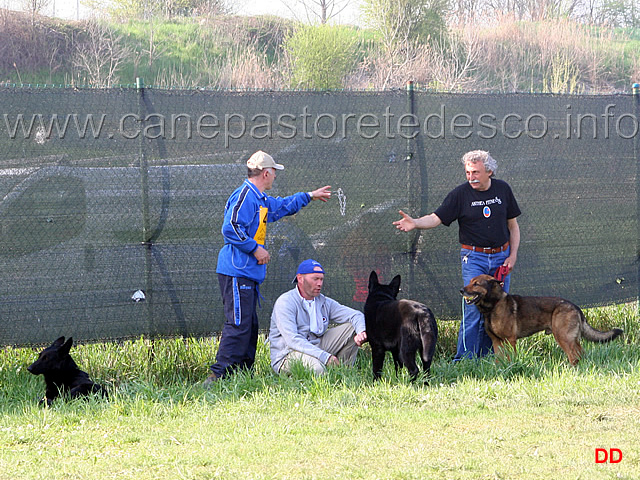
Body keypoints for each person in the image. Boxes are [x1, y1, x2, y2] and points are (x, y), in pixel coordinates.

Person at [204, 151, 332, 385]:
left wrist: (309, 196)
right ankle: (218, 376)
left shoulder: (260, 198)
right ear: (266, 173)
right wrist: (255, 249)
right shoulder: (245, 196)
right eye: (274, 172)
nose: (275, 176)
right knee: (238, 323)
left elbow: (282, 206)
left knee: (249, 325)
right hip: (235, 271)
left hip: (248, 274)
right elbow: (230, 227)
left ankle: (242, 376)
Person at [393, 150, 521, 360]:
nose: (471, 177)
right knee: (472, 310)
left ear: (489, 171)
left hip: (501, 257)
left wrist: (512, 255)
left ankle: (491, 359)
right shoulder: (460, 194)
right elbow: (435, 218)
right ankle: (464, 360)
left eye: (476, 172)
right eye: (468, 172)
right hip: (474, 258)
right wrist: (415, 223)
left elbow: (513, 227)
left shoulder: (503, 190)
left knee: (499, 310)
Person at [269, 259, 368, 375]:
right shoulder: (285, 302)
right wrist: (325, 357)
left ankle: (344, 372)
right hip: (289, 354)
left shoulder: (323, 301)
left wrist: (361, 332)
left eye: (321, 279)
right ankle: (308, 377)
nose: (319, 283)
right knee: (319, 370)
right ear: (300, 279)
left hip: (317, 348)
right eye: (315, 279)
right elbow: (292, 340)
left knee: (352, 327)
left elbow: (356, 315)